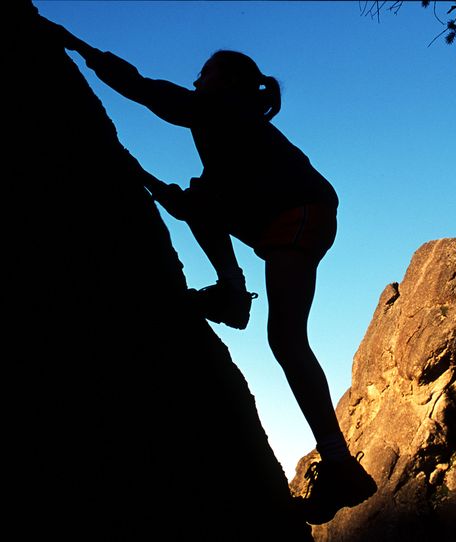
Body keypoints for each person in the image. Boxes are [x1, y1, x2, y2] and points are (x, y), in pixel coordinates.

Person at [39, 15, 376, 525]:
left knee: (286, 339)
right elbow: (195, 206)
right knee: (199, 200)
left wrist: (74, 44)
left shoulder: (222, 108)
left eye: (205, 72)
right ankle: (233, 293)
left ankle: (338, 461)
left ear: (230, 82)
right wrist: (143, 177)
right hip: (287, 213)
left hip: (297, 211)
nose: (197, 80)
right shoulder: (231, 123)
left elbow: (145, 90)